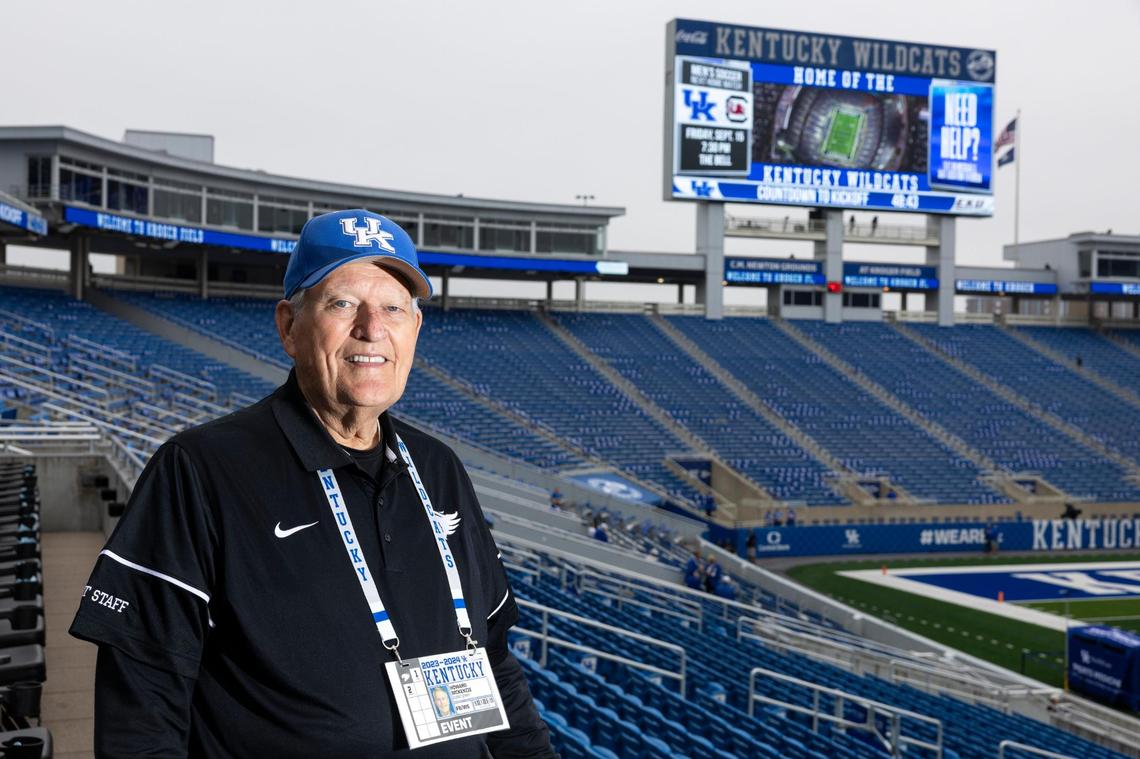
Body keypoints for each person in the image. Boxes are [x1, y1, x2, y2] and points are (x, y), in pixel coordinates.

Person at [69, 209, 555, 758]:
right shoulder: (199, 469)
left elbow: (492, 661)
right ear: (288, 327)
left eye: (394, 307)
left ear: (415, 330)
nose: (372, 328)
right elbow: (142, 704)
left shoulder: (438, 467)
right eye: (342, 303)